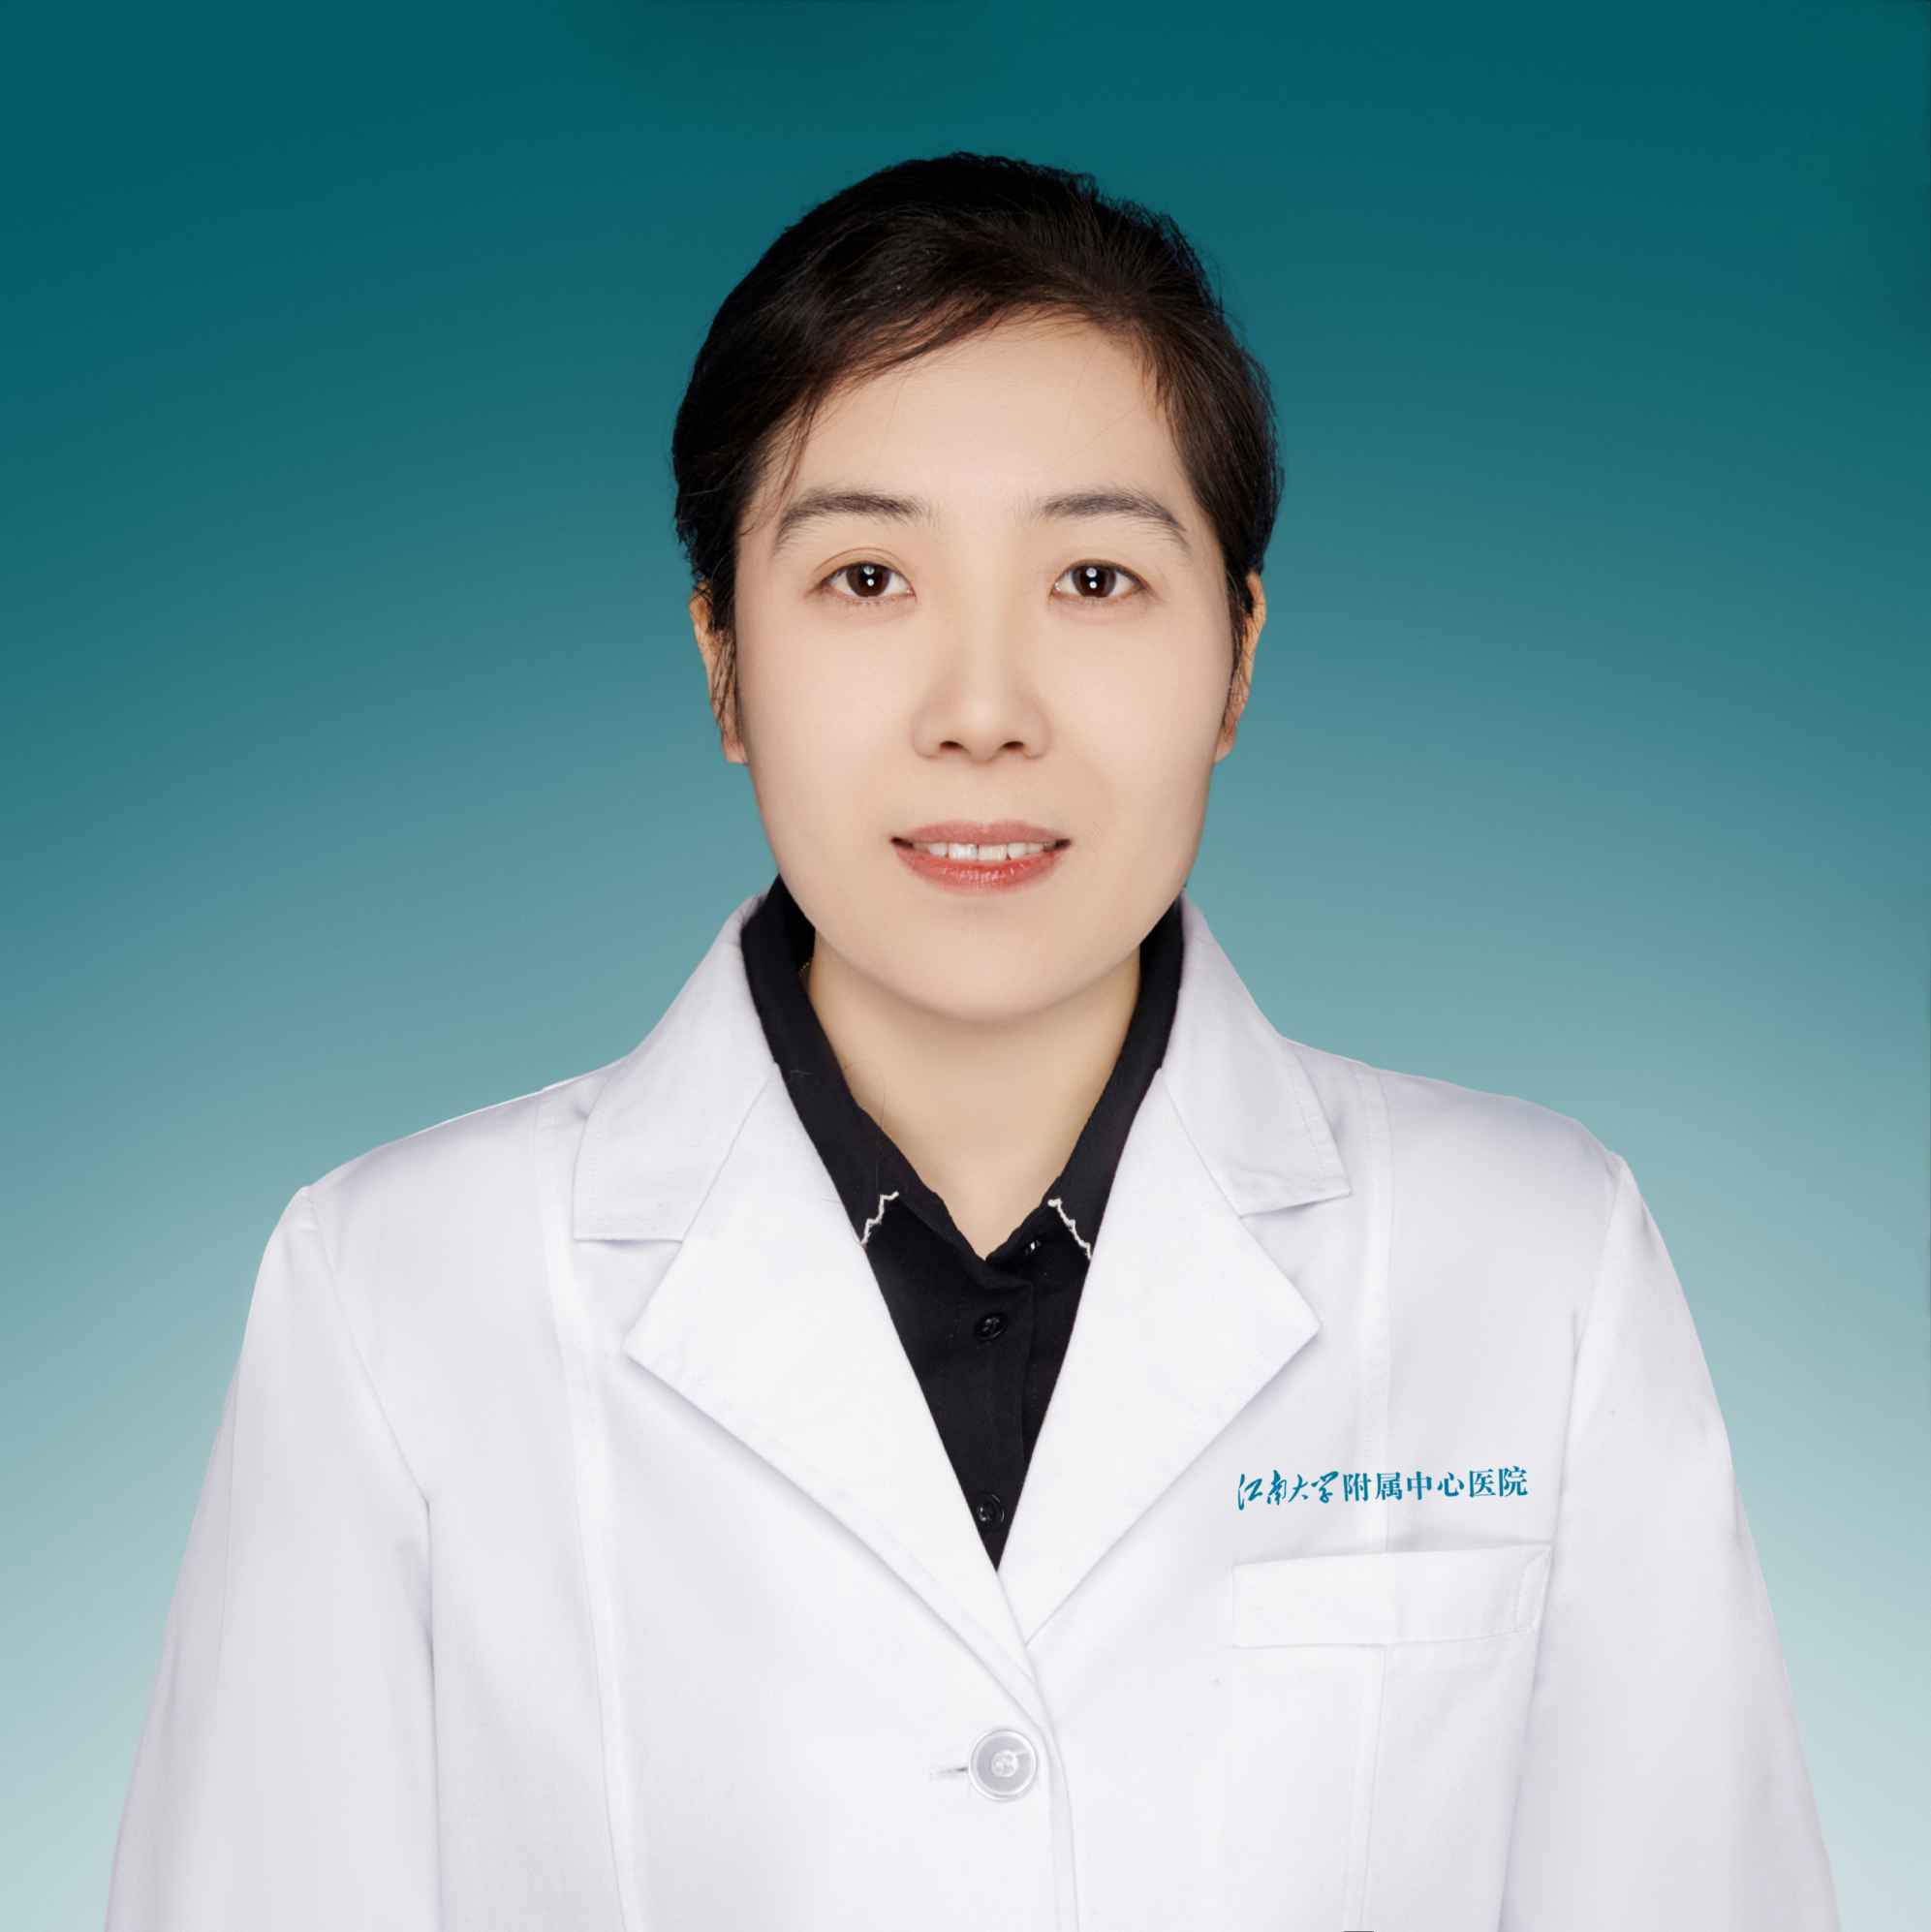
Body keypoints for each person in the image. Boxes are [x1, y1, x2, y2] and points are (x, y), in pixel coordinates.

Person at [106, 151, 1841, 1932]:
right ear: (722, 659)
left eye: (1093, 577)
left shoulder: (1534, 1260)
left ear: (1237, 657)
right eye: (867, 577)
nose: (984, 711)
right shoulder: (395, 1294)